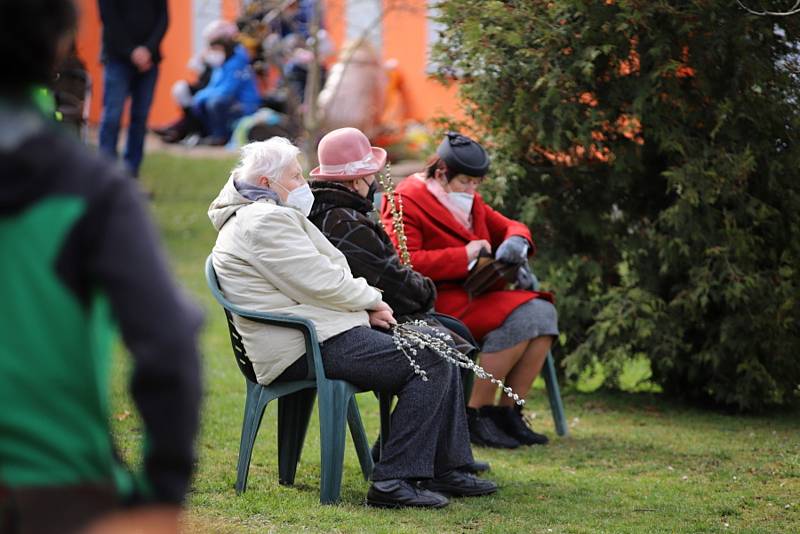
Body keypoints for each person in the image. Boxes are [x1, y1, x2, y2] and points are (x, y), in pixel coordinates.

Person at [0, 1, 203, 533]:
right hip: (54, 492)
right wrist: (164, 494)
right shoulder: (91, 189)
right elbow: (168, 344)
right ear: (61, 42)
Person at [208, 137, 497, 508]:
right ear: (266, 183)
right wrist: (373, 302)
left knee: (436, 342)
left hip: (317, 331)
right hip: (304, 343)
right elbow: (320, 280)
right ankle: (393, 480)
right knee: (430, 358)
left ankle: (444, 465)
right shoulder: (262, 220)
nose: (302, 184)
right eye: (296, 177)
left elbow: (320, 276)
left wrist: (365, 308)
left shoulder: (261, 214)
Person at [306, 127, 488, 474]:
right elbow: (388, 278)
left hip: (368, 315)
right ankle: (409, 466)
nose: (376, 179)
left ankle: (446, 459)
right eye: (371, 172)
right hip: (363, 320)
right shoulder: (341, 219)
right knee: (442, 346)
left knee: (454, 336)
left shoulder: (340, 210)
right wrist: (425, 290)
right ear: (357, 179)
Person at [382, 132, 559, 449]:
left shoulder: (467, 198)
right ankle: (474, 414)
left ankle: (508, 414)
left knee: (543, 313)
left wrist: (517, 241)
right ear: (440, 173)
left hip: (474, 294)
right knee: (529, 313)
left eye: (478, 183)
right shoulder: (404, 200)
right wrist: (465, 255)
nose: (473, 190)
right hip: (435, 301)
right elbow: (406, 263)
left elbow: (509, 225)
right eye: (466, 182)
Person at [97, 0, 167, 177]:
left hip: (149, 62)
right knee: (112, 116)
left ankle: (131, 173)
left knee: (140, 118)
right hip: (117, 59)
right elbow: (109, 19)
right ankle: (106, 172)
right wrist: (132, 52)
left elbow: (163, 19)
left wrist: (148, 50)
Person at [191, 30, 261, 146]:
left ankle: (220, 137)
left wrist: (201, 96)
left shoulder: (236, 63)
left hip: (245, 104)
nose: (215, 53)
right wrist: (200, 96)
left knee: (214, 102)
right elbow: (213, 87)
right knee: (202, 101)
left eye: (218, 50)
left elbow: (228, 90)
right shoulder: (220, 66)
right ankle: (208, 135)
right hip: (231, 101)